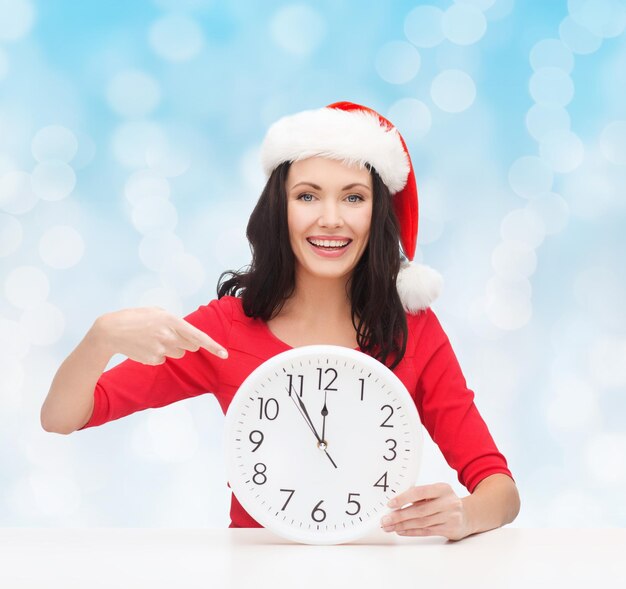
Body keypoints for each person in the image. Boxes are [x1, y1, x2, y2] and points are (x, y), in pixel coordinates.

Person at [41, 101, 520, 541]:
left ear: (377, 213)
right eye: (308, 196)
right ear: (280, 209)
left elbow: (499, 487)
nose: (331, 218)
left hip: (378, 572)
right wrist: (101, 337)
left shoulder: (413, 329)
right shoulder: (225, 329)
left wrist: (464, 514)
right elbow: (63, 417)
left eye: (353, 198)